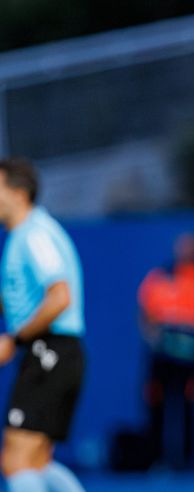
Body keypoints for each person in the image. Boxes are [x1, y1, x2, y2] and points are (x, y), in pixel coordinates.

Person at [0, 158, 86, 492]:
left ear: (19, 193)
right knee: (37, 462)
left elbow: (60, 296)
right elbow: (16, 297)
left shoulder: (34, 234)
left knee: (16, 459)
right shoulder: (23, 236)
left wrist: (15, 340)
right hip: (54, 353)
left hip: (50, 351)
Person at [137, 232, 194, 469]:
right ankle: (155, 459)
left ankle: (186, 462)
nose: (186, 251)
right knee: (156, 406)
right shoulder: (159, 277)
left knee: (189, 408)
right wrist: (152, 335)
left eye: (192, 247)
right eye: (183, 246)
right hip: (162, 357)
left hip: (193, 359)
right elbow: (145, 315)